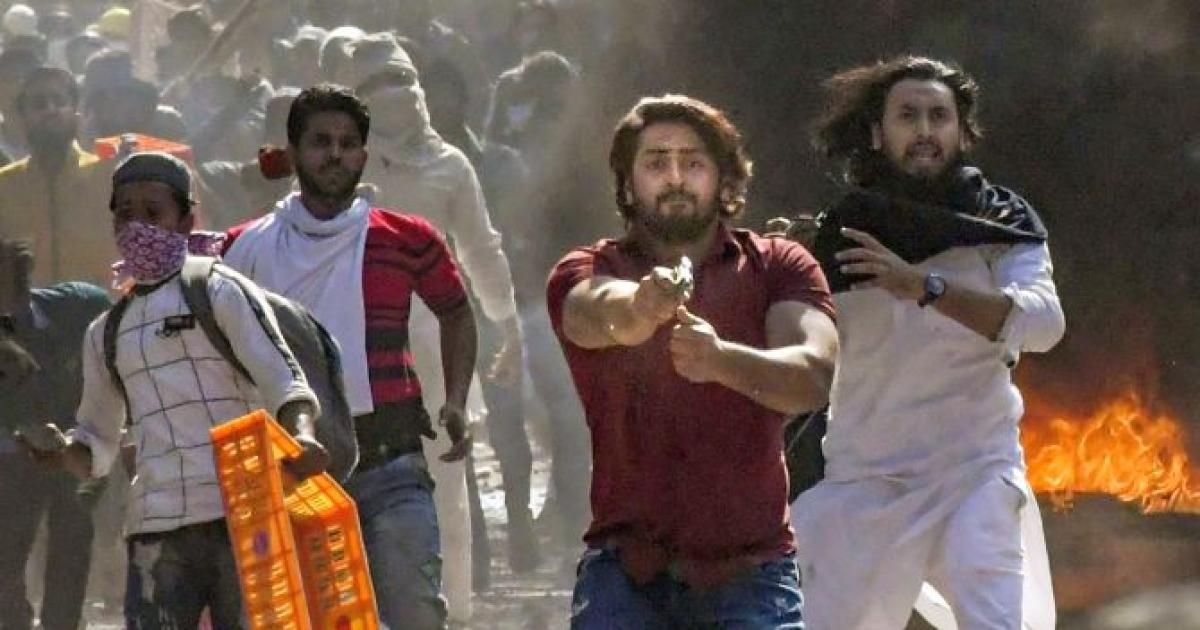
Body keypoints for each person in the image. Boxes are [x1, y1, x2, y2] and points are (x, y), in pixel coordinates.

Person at [792, 55, 1065, 630]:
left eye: (938, 116)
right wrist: (785, 276)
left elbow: (1044, 324)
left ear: (962, 133)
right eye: (907, 116)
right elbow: (804, 350)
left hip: (975, 472)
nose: (924, 131)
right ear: (876, 133)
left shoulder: (1000, 222)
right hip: (867, 482)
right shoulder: (841, 236)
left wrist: (924, 287)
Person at [548, 94, 838, 628]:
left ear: (725, 181)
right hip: (627, 570)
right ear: (627, 185)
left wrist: (722, 360)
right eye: (656, 162)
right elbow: (594, 313)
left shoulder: (780, 265)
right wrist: (642, 306)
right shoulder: (587, 268)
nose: (676, 178)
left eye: (694, 162)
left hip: (753, 571)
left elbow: (813, 376)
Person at [222, 84, 477, 629]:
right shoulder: (240, 249)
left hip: (392, 461)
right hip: (290, 472)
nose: (335, 154)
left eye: (347, 143)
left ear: (363, 155)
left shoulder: (407, 239)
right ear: (293, 153)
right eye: (320, 142)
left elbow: (457, 311)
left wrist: (456, 400)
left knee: (415, 613)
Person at [42, 151, 325, 628]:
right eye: (125, 214)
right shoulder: (106, 332)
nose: (137, 226)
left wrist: (303, 435)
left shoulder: (217, 289)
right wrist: (65, 452)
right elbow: (97, 442)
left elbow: (283, 379)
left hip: (241, 516)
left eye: (153, 213)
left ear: (186, 220)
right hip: (156, 528)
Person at [0, 239, 110, 630]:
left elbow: (110, 329)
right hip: (11, 462)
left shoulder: (77, 308)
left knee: (72, 538)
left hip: (74, 447)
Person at [0, 66, 116, 288]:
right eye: (39, 103)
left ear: (76, 113)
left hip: (100, 307)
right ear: (22, 118)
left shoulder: (108, 178)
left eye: (60, 101)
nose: (50, 110)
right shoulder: (5, 186)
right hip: (27, 308)